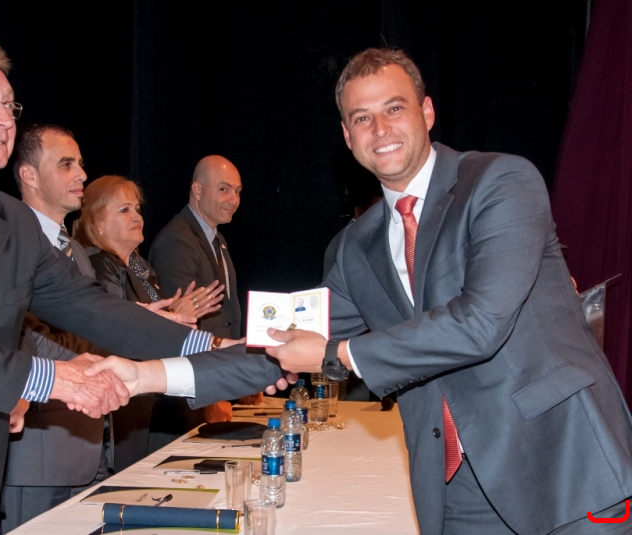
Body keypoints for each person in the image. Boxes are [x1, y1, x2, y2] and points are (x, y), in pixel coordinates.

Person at [0, 35, 282, 535]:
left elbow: (91, 306)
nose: (4, 119)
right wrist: (55, 379)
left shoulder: (9, 220)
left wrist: (215, 348)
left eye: (8, 105)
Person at [262, 48, 632, 534]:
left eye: (394, 108)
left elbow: (480, 324)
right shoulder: (356, 247)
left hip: (563, 466)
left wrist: (339, 354)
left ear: (427, 112)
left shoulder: (501, 181)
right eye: (362, 117)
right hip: (455, 489)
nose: (380, 129)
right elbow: (289, 335)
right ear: (347, 136)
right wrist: (166, 371)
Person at [72, 174, 224, 470]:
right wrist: (173, 316)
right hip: (123, 408)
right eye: (124, 210)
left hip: (149, 404)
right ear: (98, 222)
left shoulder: (141, 269)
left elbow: (151, 324)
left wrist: (175, 318)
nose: (136, 216)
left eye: (137, 209)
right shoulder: (100, 266)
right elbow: (112, 330)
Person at [1, 124, 110, 532]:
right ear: (28, 175)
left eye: (80, 163)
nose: (82, 174)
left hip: (88, 450)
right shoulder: (8, 243)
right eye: (66, 165)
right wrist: (100, 355)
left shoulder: (76, 250)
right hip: (36, 457)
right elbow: (21, 337)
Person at [149, 156, 261, 446]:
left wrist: (241, 375)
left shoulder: (216, 238)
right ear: (197, 190)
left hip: (216, 380)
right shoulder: (177, 241)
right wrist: (210, 393)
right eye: (224, 189)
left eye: (238, 191)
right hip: (190, 398)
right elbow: (180, 328)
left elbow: (226, 316)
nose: (234, 199)